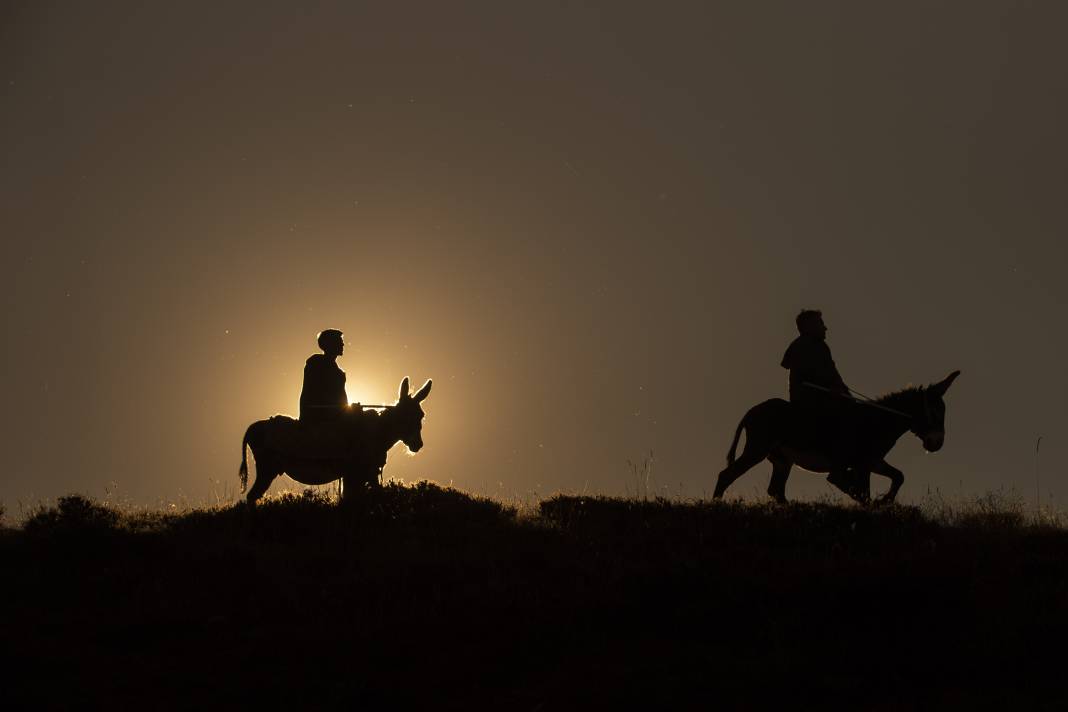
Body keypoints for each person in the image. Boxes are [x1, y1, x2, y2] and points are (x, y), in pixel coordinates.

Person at [781, 310, 858, 495]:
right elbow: (811, 375)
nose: (825, 327)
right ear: (807, 327)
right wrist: (831, 389)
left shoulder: (821, 347)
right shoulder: (801, 346)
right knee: (838, 423)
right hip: (809, 399)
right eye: (820, 323)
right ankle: (837, 470)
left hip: (826, 397)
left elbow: (834, 375)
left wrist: (847, 395)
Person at [299, 329, 350, 423]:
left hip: (337, 414)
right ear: (330, 344)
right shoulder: (316, 363)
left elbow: (342, 396)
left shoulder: (339, 372)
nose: (343, 345)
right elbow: (310, 392)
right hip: (320, 417)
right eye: (339, 342)